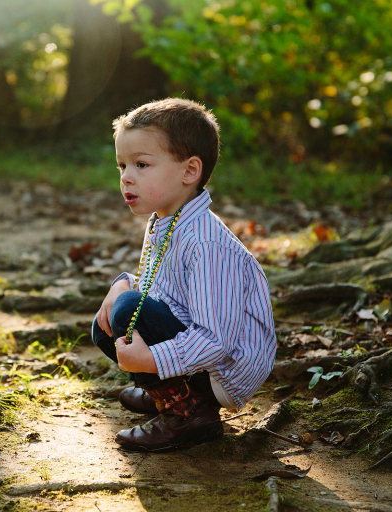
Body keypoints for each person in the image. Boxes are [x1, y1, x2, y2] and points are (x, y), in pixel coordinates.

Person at [92, 98, 277, 452]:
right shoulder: (166, 219)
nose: (126, 177)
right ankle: (170, 390)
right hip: (198, 349)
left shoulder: (207, 243)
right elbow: (157, 288)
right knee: (107, 319)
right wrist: (122, 282)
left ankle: (190, 412)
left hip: (225, 368)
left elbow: (216, 340)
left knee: (128, 310)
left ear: (189, 171)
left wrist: (150, 361)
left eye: (141, 164)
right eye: (122, 166)